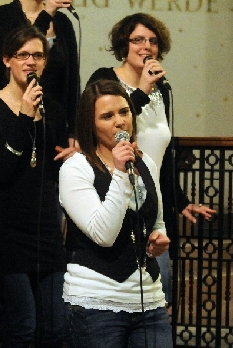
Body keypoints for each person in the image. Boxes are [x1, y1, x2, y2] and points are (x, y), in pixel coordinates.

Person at [86, 12, 216, 304]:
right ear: (124, 44)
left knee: (160, 291)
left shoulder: (162, 91)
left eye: (153, 41)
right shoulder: (104, 79)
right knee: (123, 295)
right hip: (116, 198)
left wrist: (179, 201)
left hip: (153, 206)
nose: (146, 47)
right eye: (138, 40)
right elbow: (102, 128)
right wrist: (142, 90)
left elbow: (163, 154)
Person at [0, 25, 68, 347]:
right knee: (21, 327)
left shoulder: (52, 108)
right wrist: (25, 116)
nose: (31, 62)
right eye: (22, 54)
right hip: (7, 230)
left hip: (44, 226)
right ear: (6, 60)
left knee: (55, 328)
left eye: (38, 55)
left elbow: (54, 165)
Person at [60, 79, 172, 348]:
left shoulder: (145, 162)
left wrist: (159, 238)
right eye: (107, 116)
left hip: (148, 302)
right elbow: (103, 234)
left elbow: (156, 219)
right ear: (91, 123)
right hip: (96, 304)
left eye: (124, 112)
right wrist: (121, 174)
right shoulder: (76, 169)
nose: (120, 122)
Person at [0, 0, 79, 143]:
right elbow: (5, 62)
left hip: (52, 119)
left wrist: (74, 132)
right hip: (11, 116)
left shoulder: (63, 22)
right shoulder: (2, 15)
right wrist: (46, 15)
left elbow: (72, 80)